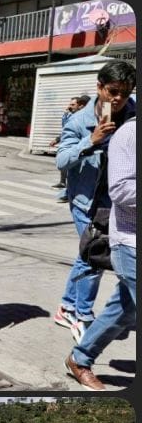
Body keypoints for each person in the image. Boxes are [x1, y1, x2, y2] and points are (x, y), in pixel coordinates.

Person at [54, 60, 136, 342]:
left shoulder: (134, 113)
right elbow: (62, 160)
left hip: (119, 199)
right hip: (86, 201)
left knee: (87, 254)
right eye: (113, 91)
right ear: (99, 87)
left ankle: (66, 306)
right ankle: (81, 315)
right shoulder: (78, 121)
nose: (118, 99)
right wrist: (91, 140)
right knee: (95, 257)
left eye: (125, 93)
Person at [66, 110, 135, 390]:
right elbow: (119, 190)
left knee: (125, 310)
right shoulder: (130, 134)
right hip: (130, 242)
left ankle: (79, 358)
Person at [52, 96, 92, 201]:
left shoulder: (88, 119)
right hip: (73, 151)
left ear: (81, 106)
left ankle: (69, 191)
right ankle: (66, 189)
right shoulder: (71, 117)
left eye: (73, 105)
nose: (70, 107)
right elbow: (66, 131)